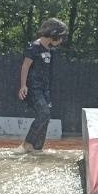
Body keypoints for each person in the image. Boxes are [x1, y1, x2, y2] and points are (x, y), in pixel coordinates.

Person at [14, 17, 67, 154]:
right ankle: (26, 144)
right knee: (43, 113)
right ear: (53, 34)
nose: (61, 41)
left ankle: (37, 148)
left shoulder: (48, 49)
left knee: (46, 116)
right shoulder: (34, 47)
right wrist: (23, 85)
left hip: (44, 89)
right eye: (60, 37)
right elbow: (25, 66)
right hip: (33, 87)